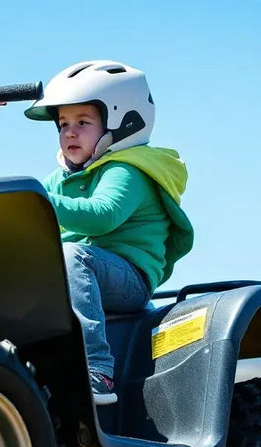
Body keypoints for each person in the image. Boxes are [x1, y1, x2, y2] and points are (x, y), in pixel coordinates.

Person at [25, 60, 194, 405]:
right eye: (63, 124)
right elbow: (34, 219)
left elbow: (103, 216)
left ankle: (98, 370)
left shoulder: (127, 170)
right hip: (82, 272)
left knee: (72, 257)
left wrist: (38, 200)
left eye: (83, 123)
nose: (69, 133)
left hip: (126, 276)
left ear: (122, 123)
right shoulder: (60, 179)